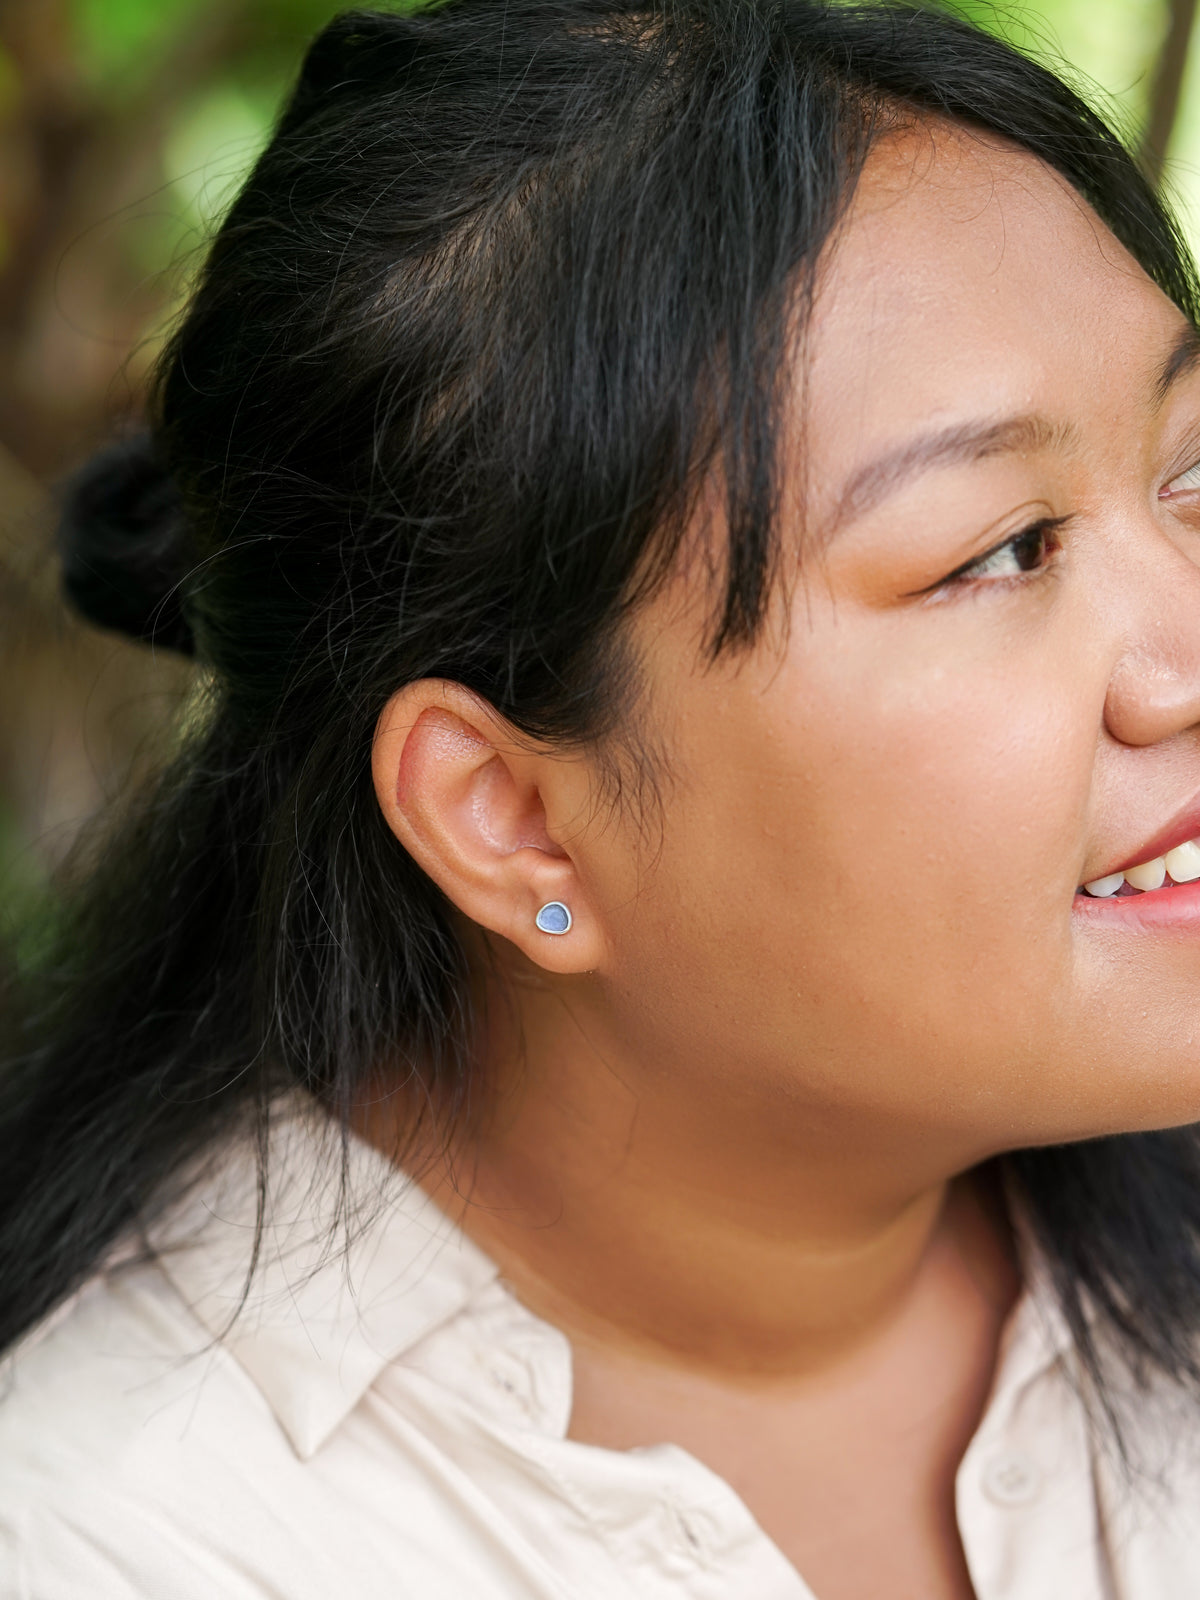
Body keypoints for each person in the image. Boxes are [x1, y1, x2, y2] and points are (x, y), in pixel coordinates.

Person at [4, 0, 1200, 1594]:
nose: (1182, 646)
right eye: (999, 551)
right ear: (512, 818)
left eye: (1192, 471)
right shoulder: (123, 1536)